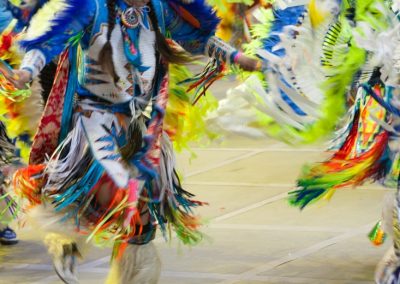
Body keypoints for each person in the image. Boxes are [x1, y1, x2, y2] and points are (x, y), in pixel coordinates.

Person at [9, 0, 260, 282]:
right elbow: (49, 42)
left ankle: (130, 273)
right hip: (93, 124)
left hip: (137, 126)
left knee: (139, 219)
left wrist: (240, 59)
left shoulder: (158, 10)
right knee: (113, 195)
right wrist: (25, 72)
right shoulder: (92, 9)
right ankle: (65, 238)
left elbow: (198, 40)